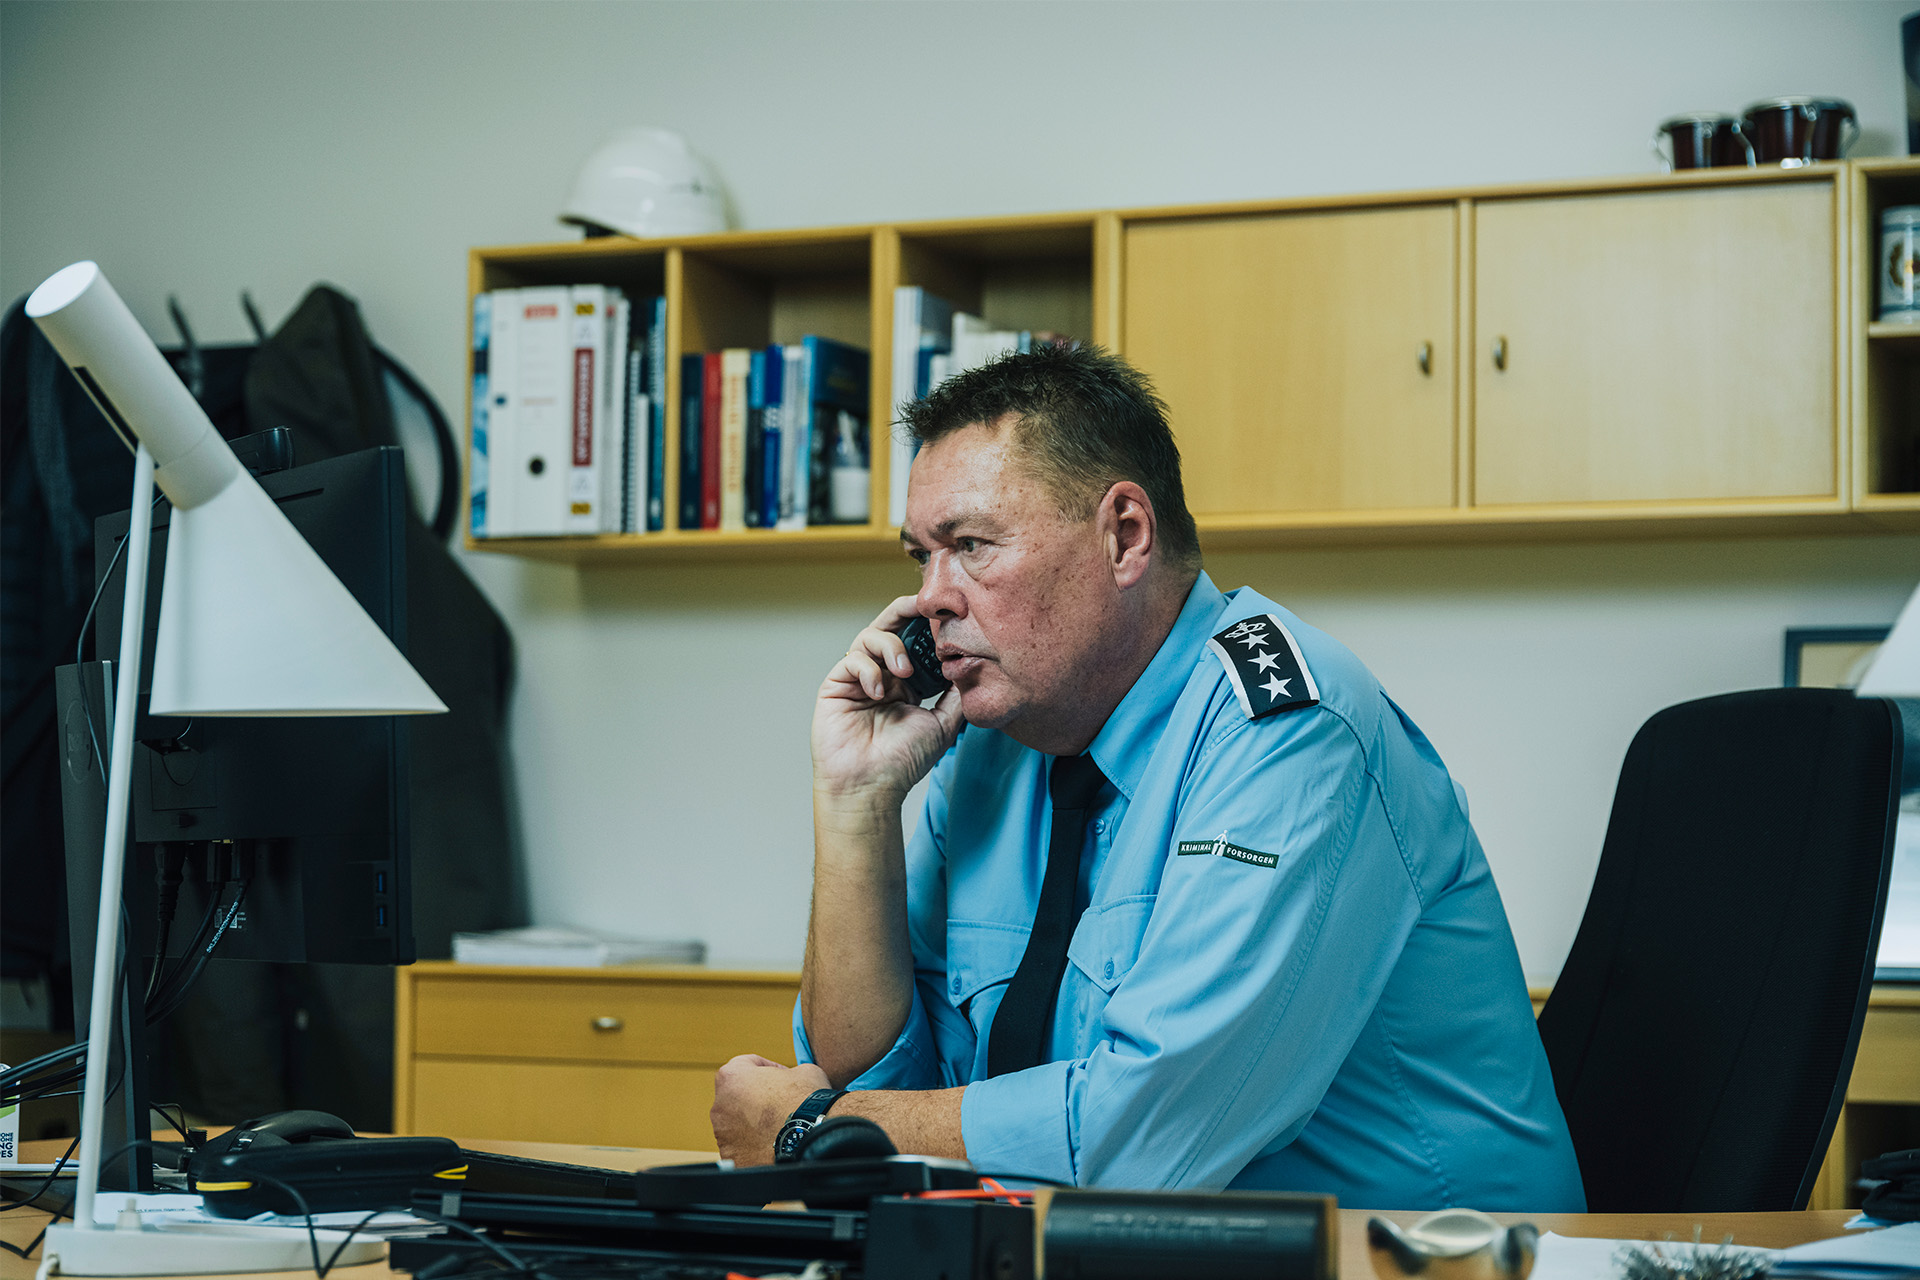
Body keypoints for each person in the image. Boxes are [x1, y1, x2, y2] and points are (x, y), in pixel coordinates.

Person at [709, 346, 1584, 1210]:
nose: (932, 597)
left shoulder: (1288, 729)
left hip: (1424, 1259)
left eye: (970, 545)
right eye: (921, 557)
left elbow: (1146, 1144)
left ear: (1125, 535)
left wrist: (812, 1132)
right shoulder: (992, 745)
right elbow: (884, 1090)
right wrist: (855, 804)